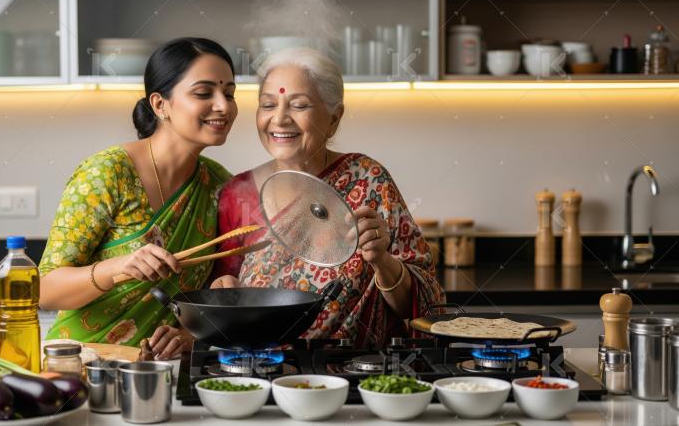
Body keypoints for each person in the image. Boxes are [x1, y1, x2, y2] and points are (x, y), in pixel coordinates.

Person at [211, 48, 444, 347]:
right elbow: (219, 296)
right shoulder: (236, 193)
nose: (279, 119)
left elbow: (424, 307)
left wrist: (383, 262)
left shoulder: (368, 180)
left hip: (356, 376)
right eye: (267, 104)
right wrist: (223, 291)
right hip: (262, 372)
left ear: (334, 118)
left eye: (299, 105)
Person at [39, 38, 238, 359]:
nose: (224, 106)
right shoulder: (107, 173)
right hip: (83, 363)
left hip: (163, 369)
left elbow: (209, 295)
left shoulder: (219, 185)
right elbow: (45, 291)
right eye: (204, 93)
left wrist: (187, 335)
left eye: (229, 94)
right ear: (160, 105)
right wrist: (117, 267)